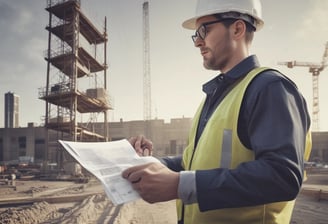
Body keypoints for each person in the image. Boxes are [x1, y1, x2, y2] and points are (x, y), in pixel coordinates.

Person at [122, 0, 312, 223]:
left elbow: (282, 177)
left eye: (205, 30)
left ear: (238, 29)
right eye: (196, 34)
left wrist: (179, 185)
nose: (197, 42)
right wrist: (151, 163)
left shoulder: (269, 88)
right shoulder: (212, 100)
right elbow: (190, 162)